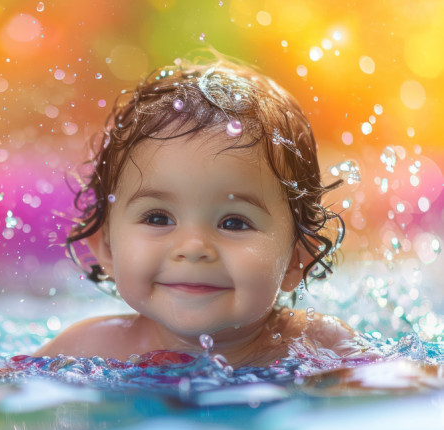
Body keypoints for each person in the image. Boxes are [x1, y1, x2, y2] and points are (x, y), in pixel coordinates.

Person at [35, 55, 359, 368]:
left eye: (234, 222)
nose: (193, 248)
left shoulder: (320, 345)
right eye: (158, 218)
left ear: (296, 259)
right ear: (106, 248)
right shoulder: (86, 350)